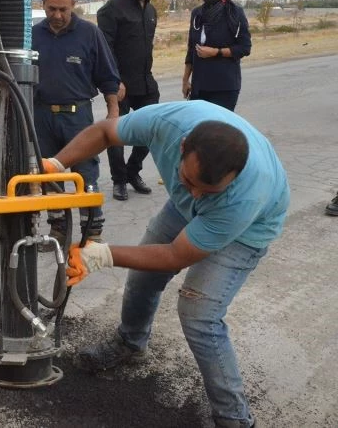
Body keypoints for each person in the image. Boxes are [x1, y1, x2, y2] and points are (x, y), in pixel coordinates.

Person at [43, 100, 290, 428]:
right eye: (189, 180)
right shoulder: (169, 123)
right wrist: (56, 164)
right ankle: (130, 342)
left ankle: (234, 419)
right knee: (145, 273)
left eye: (208, 190)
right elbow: (105, 131)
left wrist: (100, 255)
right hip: (191, 205)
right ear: (183, 146)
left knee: (199, 315)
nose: (197, 196)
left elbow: (175, 254)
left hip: (249, 227)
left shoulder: (242, 196)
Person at [32, 0, 120, 247]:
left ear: (74, 6)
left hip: (78, 117)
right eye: (51, 9)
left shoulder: (89, 34)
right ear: (43, 5)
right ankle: (58, 230)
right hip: (41, 116)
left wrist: (113, 110)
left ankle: (92, 232)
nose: (57, 16)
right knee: (49, 174)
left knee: (86, 174)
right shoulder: (33, 35)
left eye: (63, 10)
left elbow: (108, 75)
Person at [97, 0, 161, 201]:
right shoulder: (112, 9)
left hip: (146, 82)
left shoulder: (151, 11)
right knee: (117, 134)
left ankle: (133, 172)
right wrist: (115, 81)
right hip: (120, 84)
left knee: (153, 129)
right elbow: (105, 49)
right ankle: (119, 181)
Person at [183, 0, 252, 111]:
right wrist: (185, 80)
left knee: (217, 131)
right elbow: (191, 49)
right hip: (199, 86)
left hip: (224, 87)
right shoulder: (197, 14)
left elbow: (244, 48)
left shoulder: (235, 13)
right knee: (197, 130)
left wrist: (216, 52)